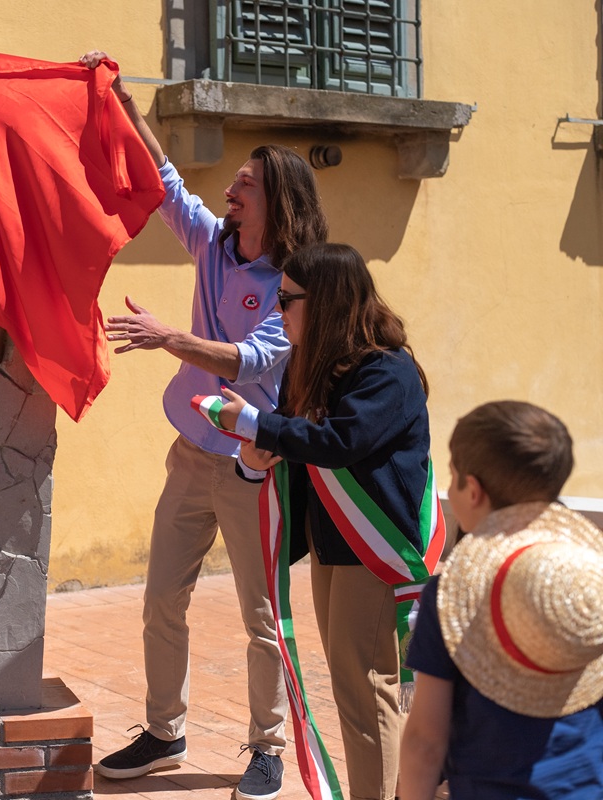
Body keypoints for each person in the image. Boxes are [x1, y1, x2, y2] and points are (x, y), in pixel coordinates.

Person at [79, 50, 328, 800]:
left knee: (261, 618)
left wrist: (171, 340)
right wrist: (121, 97)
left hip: (255, 463)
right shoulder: (213, 244)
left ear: (276, 201)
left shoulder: (297, 281)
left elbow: (254, 361)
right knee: (162, 598)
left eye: (245, 187)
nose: (229, 192)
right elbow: (165, 183)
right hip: (191, 452)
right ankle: (164, 731)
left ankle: (267, 747)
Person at [216, 242, 444, 800]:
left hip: (376, 549)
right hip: (332, 545)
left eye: (287, 299)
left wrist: (255, 425)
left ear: (327, 302)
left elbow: (341, 442)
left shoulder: (387, 372)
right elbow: (295, 440)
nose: (277, 311)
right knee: (355, 689)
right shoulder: (317, 366)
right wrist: (253, 456)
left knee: (367, 692)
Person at [399, 401, 603, 800]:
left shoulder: (454, 597)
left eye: (453, 476)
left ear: (472, 490)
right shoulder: (591, 582)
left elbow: (425, 740)